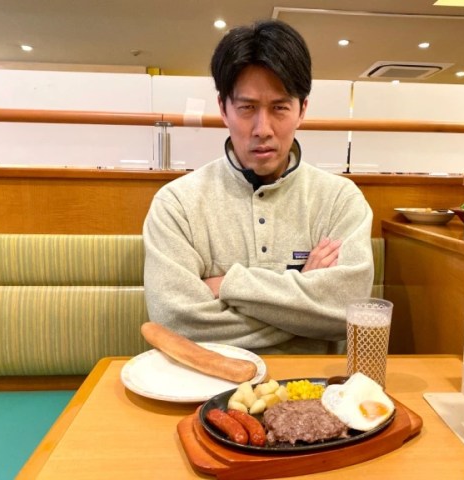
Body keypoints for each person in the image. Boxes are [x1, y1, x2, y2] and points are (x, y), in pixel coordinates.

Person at [143, 19, 374, 354]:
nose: (262, 128)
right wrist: (303, 304)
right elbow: (174, 322)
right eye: (247, 108)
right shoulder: (177, 204)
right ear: (223, 109)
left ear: (302, 109)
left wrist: (229, 285)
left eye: (279, 107)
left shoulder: (340, 199)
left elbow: (346, 311)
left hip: (313, 383)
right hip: (208, 381)